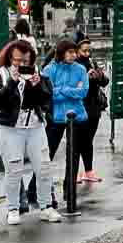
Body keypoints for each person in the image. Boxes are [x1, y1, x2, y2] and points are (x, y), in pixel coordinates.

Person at [0, 38, 61, 222]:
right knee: (14, 169)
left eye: (26, 61)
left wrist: (37, 85)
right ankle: (13, 208)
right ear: (9, 58)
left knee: (44, 167)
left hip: (35, 127)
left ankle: (46, 206)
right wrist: (11, 83)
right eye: (17, 60)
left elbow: (46, 99)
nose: (21, 65)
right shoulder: (1, 74)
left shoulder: (37, 73)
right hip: (11, 129)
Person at [42, 37, 91, 190]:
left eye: (74, 52)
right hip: (55, 117)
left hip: (78, 115)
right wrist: (70, 90)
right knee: (46, 154)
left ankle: (69, 190)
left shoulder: (81, 69)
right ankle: (34, 189)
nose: (73, 55)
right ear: (61, 53)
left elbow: (83, 92)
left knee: (73, 156)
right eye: (70, 53)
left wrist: (61, 89)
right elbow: (47, 93)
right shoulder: (49, 69)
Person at [73, 34, 108, 188]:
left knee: (88, 140)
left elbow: (105, 81)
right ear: (77, 50)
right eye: (84, 51)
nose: (87, 54)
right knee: (80, 140)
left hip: (94, 106)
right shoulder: (73, 65)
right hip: (80, 105)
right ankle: (77, 171)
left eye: (89, 50)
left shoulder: (92, 62)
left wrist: (99, 75)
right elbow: (73, 85)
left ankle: (88, 170)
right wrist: (86, 78)